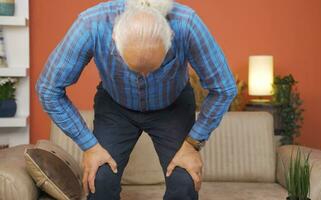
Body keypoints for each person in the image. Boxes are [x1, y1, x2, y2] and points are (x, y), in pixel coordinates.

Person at [35, 0, 238, 199]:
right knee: (100, 179)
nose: (144, 78)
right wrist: (89, 145)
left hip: (172, 105)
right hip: (116, 105)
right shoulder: (91, 24)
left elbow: (224, 89)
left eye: (154, 69)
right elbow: (48, 89)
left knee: (185, 180)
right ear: (114, 37)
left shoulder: (187, 24)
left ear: (171, 37)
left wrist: (192, 143)